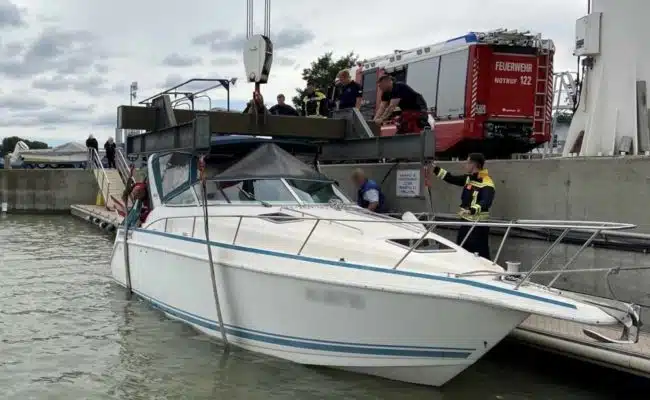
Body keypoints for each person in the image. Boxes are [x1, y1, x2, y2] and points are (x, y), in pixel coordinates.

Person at [431, 153, 495, 259]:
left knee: (480, 255)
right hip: (465, 223)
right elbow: (451, 178)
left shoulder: (487, 182)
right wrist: (434, 169)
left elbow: (486, 202)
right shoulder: (469, 178)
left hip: (478, 227)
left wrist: (471, 210)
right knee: (462, 252)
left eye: (467, 162)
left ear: (473, 164)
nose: (465, 165)